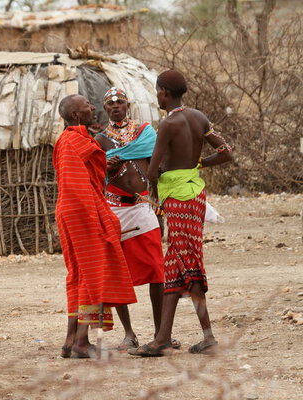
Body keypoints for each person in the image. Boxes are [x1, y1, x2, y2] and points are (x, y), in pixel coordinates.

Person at [129, 70, 233, 357]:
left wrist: (156, 180)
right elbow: (226, 152)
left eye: (158, 91)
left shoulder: (169, 124)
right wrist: (199, 164)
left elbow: (152, 171)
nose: (157, 95)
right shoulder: (199, 118)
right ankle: (166, 337)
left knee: (186, 263)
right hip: (196, 195)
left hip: (176, 198)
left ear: (164, 92)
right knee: (177, 264)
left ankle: (186, 337)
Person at [54, 94, 137, 358]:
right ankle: (81, 342)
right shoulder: (72, 140)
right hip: (82, 212)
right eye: (86, 105)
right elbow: (77, 185)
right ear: (76, 116)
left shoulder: (74, 139)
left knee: (78, 275)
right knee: (91, 275)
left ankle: (70, 341)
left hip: (73, 211)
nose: (92, 107)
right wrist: (100, 218)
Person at [93, 87, 168, 351]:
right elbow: (92, 170)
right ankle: (129, 334)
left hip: (143, 207)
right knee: (117, 273)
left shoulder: (145, 132)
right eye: (110, 103)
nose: (115, 106)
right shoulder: (100, 140)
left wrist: (161, 208)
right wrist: (105, 165)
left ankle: (161, 333)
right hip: (114, 211)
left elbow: (156, 166)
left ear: (127, 105)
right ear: (105, 108)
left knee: (157, 271)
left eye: (120, 102)